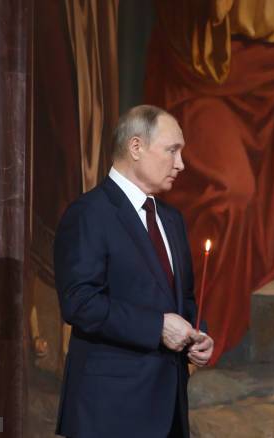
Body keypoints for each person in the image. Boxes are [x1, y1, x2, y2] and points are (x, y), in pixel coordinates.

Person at [53, 105, 214, 438]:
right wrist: (156, 327)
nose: (181, 164)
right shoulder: (88, 213)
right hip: (109, 413)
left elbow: (182, 299)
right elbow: (80, 303)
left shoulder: (172, 220)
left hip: (169, 412)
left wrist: (197, 336)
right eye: (173, 150)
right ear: (136, 147)